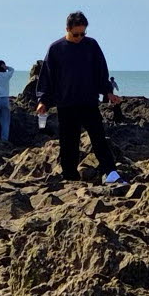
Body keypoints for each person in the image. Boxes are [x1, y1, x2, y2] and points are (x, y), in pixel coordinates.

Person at [36, 10, 124, 185]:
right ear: (67, 29)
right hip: (66, 103)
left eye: (83, 34)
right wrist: (42, 100)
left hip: (88, 101)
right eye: (76, 34)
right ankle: (70, 176)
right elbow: (47, 76)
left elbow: (101, 72)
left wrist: (108, 92)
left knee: (99, 138)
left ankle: (111, 172)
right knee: (68, 142)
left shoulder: (91, 45)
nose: (79, 38)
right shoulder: (56, 49)